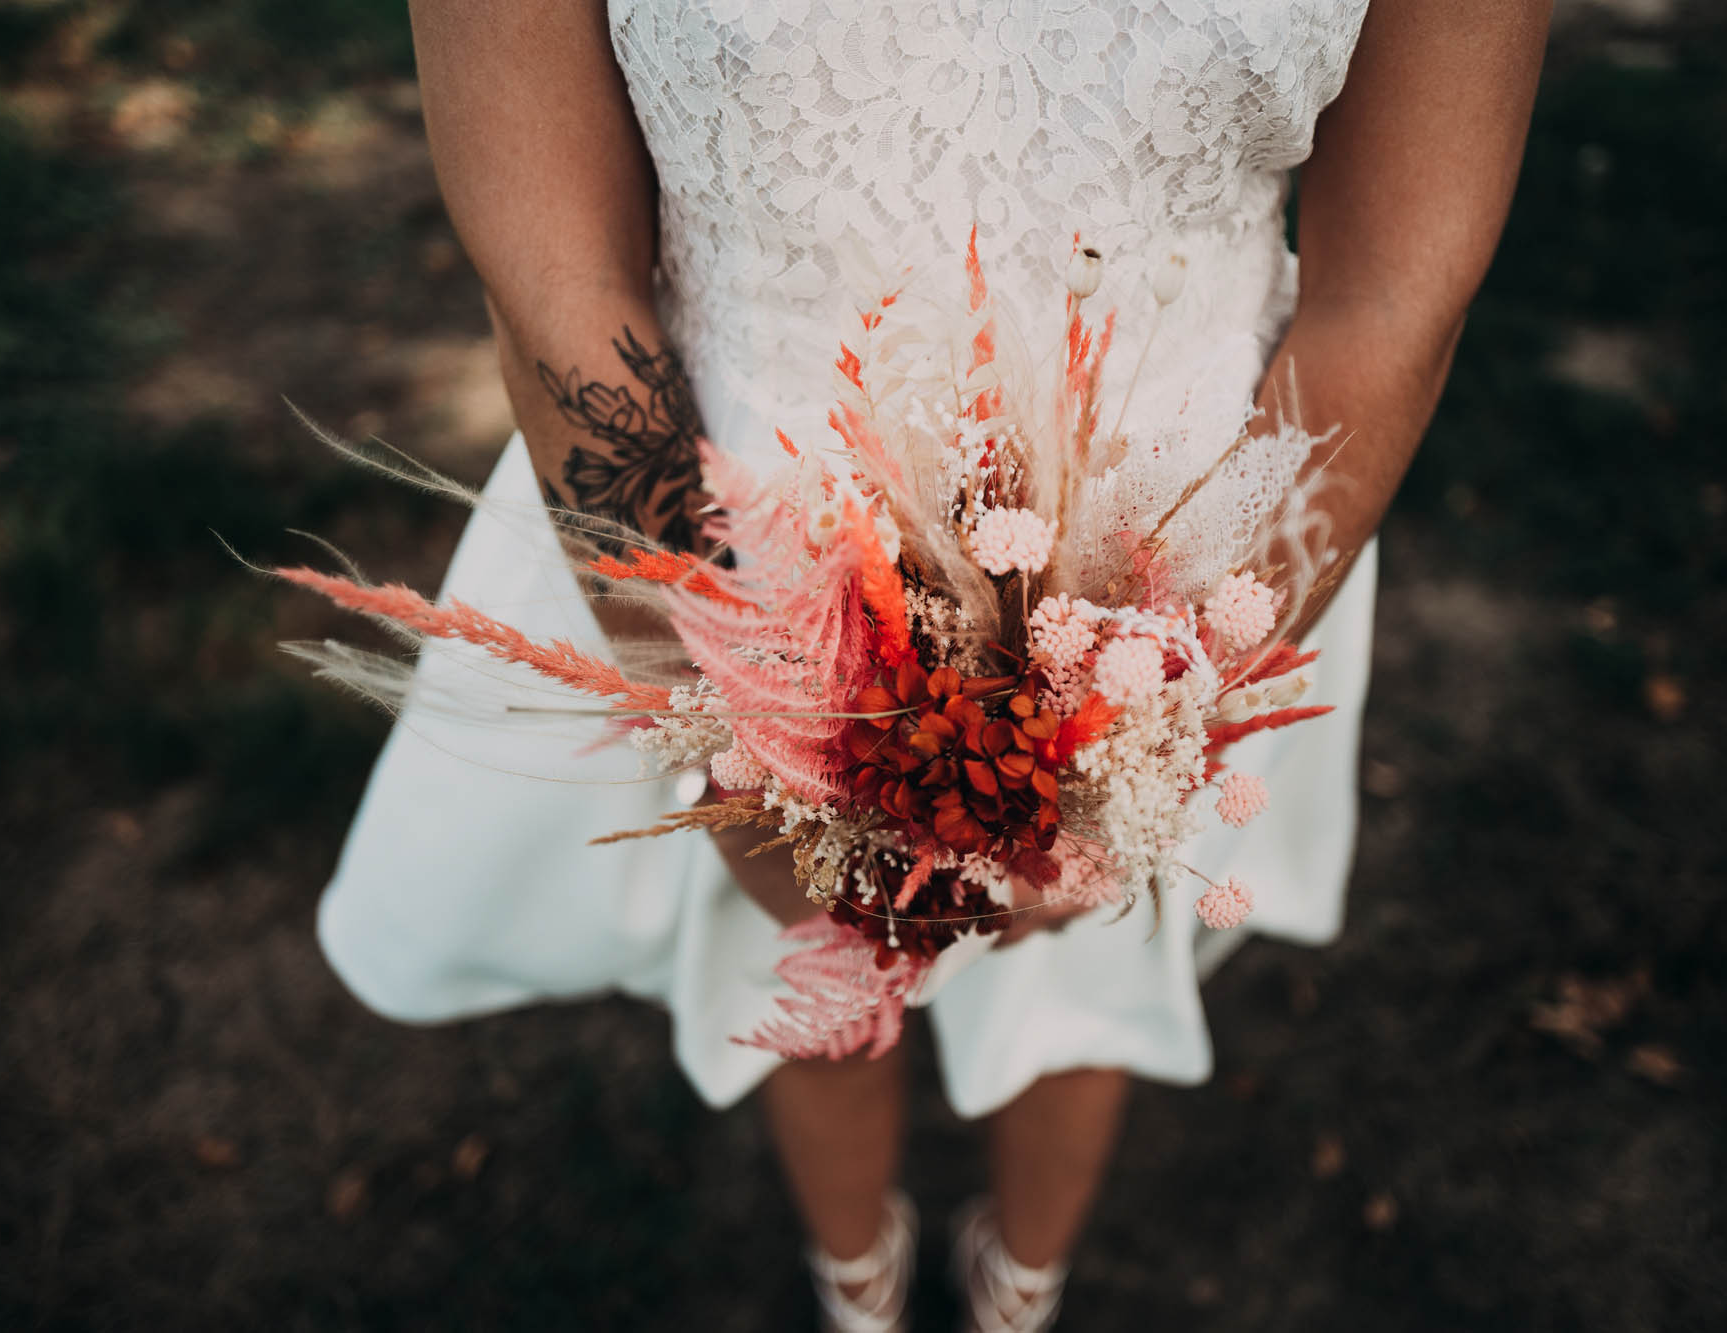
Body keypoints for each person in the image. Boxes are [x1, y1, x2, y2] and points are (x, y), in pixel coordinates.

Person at [318, 3, 1550, 1328]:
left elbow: (1393, 288)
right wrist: (730, 720)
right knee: (801, 961)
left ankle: (1020, 1286)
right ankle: (860, 1281)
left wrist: (1159, 705)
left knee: (1090, 980)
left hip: (1188, 547)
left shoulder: (1181, 630)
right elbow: (553, 270)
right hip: (741, 526)